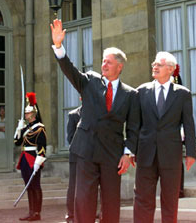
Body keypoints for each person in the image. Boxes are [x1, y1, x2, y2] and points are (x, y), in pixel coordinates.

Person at [50, 18, 140, 223]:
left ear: (119, 66)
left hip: (112, 154)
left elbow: (133, 128)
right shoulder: (89, 80)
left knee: (111, 203)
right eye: (102, 61)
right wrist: (58, 46)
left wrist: (128, 154)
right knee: (83, 200)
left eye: (108, 62)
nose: (103, 65)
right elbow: (70, 70)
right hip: (86, 150)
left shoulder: (131, 95)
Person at [133, 52, 196, 223]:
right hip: (146, 154)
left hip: (171, 154)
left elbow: (188, 124)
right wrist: (131, 150)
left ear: (170, 69)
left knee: (170, 201)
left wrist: (191, 152)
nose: (154, 66)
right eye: (154, 63)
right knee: (142, 200)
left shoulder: (183, 94)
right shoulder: (141, 92)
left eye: (159, 65)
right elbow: (134, 125)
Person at [14, 92, 47, 221]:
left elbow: (42, 146)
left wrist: (39, 161)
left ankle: (37, 213)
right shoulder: (26, 127)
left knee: (35, 185)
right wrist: (19, 128)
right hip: (24, 157)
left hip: (34, 158)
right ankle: (31, 211)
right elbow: (17, 142)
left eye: (27, 113)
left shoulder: (39, 128)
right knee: (28, 186)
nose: (25, 115)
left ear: (33, 114)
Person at [65, 106, 81, 223]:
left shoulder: (95, 111)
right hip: (76, 156)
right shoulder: (73, 115)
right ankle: (70, 214)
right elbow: (70, 138)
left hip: (91, 157)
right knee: (73, 186)